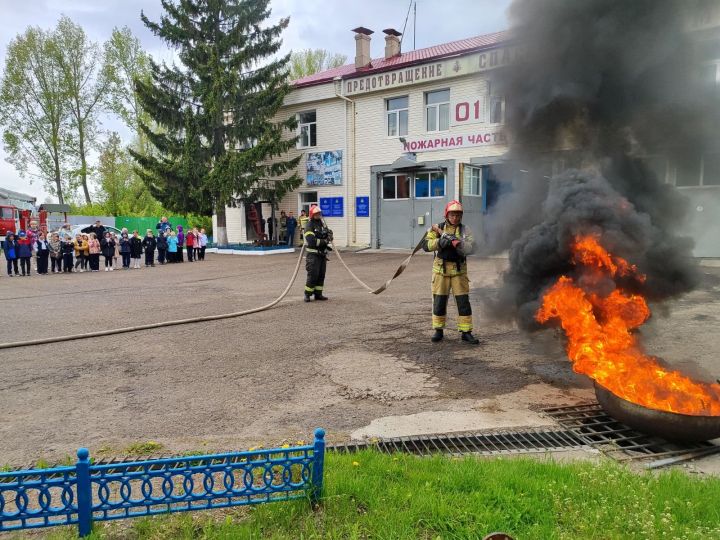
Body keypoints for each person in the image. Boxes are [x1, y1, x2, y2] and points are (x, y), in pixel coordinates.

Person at [422, 200, 479, 344]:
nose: (455, 218)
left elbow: (473, 247)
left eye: (458, 215)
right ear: (447, 215)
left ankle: (466, 332)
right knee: (439, 302)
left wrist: (459, 244)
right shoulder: (437, 228)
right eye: (453, 215)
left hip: (459, 273)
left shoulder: (466, 230)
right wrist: (439, 242)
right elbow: (425, 245)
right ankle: (438, 330)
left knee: (463, 303)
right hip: (441, 272)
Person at [302, 205, 332, 302]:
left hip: (322, 255)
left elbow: (327, 235)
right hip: (313, 255)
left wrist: (330, 234)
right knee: (313, 275)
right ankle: (307, 294)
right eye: (316, 213)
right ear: (312, 215)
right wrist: (325, 241)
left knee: (321, 274)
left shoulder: (322, 224)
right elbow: (311, 241)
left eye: (319, 213)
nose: (319, 215)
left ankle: (318, 294)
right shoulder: (309, 225)